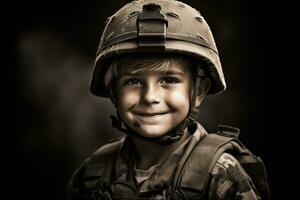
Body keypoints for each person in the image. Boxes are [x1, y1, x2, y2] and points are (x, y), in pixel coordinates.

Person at [67, 0, 271, 199]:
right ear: (113, 92)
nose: (150, 97)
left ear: (198, 91)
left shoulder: (221, 175)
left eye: (169, 80)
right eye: (133, 81)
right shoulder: (94, 173)